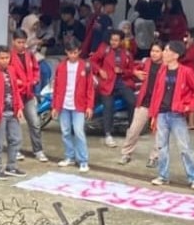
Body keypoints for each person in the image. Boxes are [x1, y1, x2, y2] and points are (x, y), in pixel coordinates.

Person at [148, 40, 194, 189]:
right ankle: (163, 175)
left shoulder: (186, 71)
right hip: (162, 113)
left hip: (177, 115)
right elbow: (156, 93)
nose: (163, 53)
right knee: (161, 147)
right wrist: (153, 113)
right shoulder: (162, 70)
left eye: (166, 50)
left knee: (184, 147)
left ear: (175, 55)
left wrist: (189, 106)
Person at [52, 38, 94, 172]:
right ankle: (69, 156)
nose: (73, 55)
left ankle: (83, 160)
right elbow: (56, 87)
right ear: (66, 52)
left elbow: (90, 88)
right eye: (70, 53)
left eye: (75, 52)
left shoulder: (85, 66)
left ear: (79, 51)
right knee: (65, 132)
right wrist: (54, 106)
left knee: (79, 132)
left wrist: (89, 106)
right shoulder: (61, 67)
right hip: (64, 104)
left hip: (79, 105)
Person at [0, 45, 27, 180]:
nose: (4, 60)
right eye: (1, 58)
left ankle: (11, 165)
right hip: (0, 112)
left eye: (7, 58)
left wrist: (19, 107)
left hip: (12, 110)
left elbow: (15, 91)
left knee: (16, 138)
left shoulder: (12, 71)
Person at [119, 42, 163, 167]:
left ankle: (154, 157)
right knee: (134, 129)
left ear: (163, 53)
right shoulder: (147, 62)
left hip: (159, 104)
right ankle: (126, 153)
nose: (154, 54)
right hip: (144, 101)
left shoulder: (166, 66)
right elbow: (132, 68)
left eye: (157, 51)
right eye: (152, 51)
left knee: (159, 133)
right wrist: (135, 72)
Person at [91, 29, 136, 148]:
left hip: (122, 83)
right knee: (108, 106)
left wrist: (122, 71)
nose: (113, 42)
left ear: (121, 41)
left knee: (132, 101)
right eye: (112, 40)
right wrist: (100, 70)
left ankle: (131, 129)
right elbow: (92, 61)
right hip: (107, 84)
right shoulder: (104, 49)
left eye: (116, 40)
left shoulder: (127, 54)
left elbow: (131, 71)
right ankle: (108, 134)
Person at [10, 30, 48, 162]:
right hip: (16, 94)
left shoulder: (29, 55)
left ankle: (38, 150)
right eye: (19, 42)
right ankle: (15, 150)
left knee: (35, 122)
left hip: (29, 93)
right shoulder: (8, 56)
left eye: (23, 42)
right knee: (15, 124)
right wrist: (17, 82)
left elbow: (36, 69)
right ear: (13, 41)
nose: (21, 45)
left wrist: (35, 79)